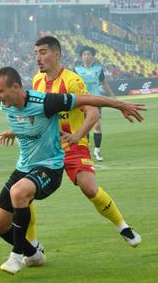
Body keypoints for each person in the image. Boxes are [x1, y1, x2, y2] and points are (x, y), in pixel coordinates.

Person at [0, 66, 146, 275]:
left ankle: (17, 255)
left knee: (20, 192)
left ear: (16, 87)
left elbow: (89, 101)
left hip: (50, 165)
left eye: (0, 91)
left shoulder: (47, 100)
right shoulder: (8, 105)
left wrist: (120, 104)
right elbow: (28, 122)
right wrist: (14, 131)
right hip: (24, 166)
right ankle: (34, 254)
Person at [30, 36, 142, 250]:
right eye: (36, 53)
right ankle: (32, 245)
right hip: (47, 149)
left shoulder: (72, 80)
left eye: (43, 52)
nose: (38, 58)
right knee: (23, 193)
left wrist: (76, 135)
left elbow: (92, 113)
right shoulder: (37, 81)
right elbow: (35, 113)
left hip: (74, 144)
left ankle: (123, 226)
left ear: (57, 54)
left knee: (90, 189)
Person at [74, 46, 115, 161]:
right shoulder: (76, 70)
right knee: (85, 126)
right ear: (81, 57)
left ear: (92, 57)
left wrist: (113, 96)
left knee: (97, 125)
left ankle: (97, 150)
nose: (87, 57)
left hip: (95, 100)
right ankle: (85, 149)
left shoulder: (98, 69)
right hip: (82, 101)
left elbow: (104, 82)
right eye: (84, 55)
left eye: (89, 55)